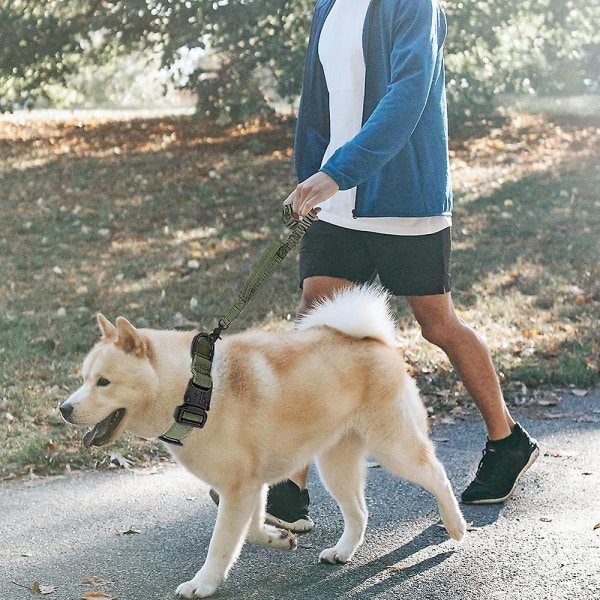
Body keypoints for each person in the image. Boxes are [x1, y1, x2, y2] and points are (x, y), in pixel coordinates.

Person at [263, 0, 540, 533]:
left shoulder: (415, 5)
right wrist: (314, 176)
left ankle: (507, 441)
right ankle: (289, 487)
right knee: (312, 323)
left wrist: (339, 171)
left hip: (403, 196)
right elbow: (316, 102)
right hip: (335, 199)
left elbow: (407, 97)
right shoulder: (329, 7)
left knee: (437, 325)